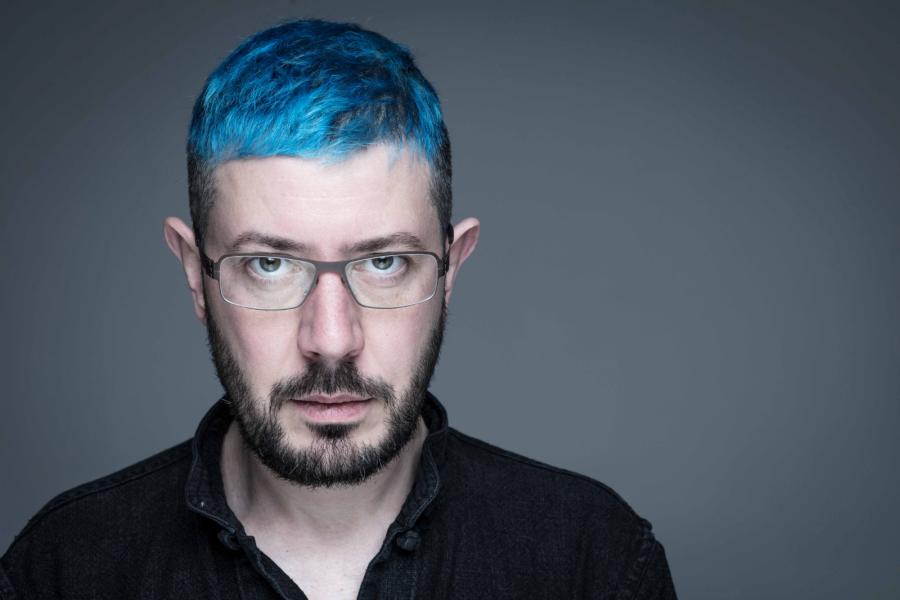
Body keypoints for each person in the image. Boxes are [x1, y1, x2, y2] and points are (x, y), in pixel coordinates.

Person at [1, 19, 676, 599]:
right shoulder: (60, 571)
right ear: (194, 274)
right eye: (269, 264)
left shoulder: (595, 563)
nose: (330, 339)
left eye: (384, 262)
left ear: (452, 268)